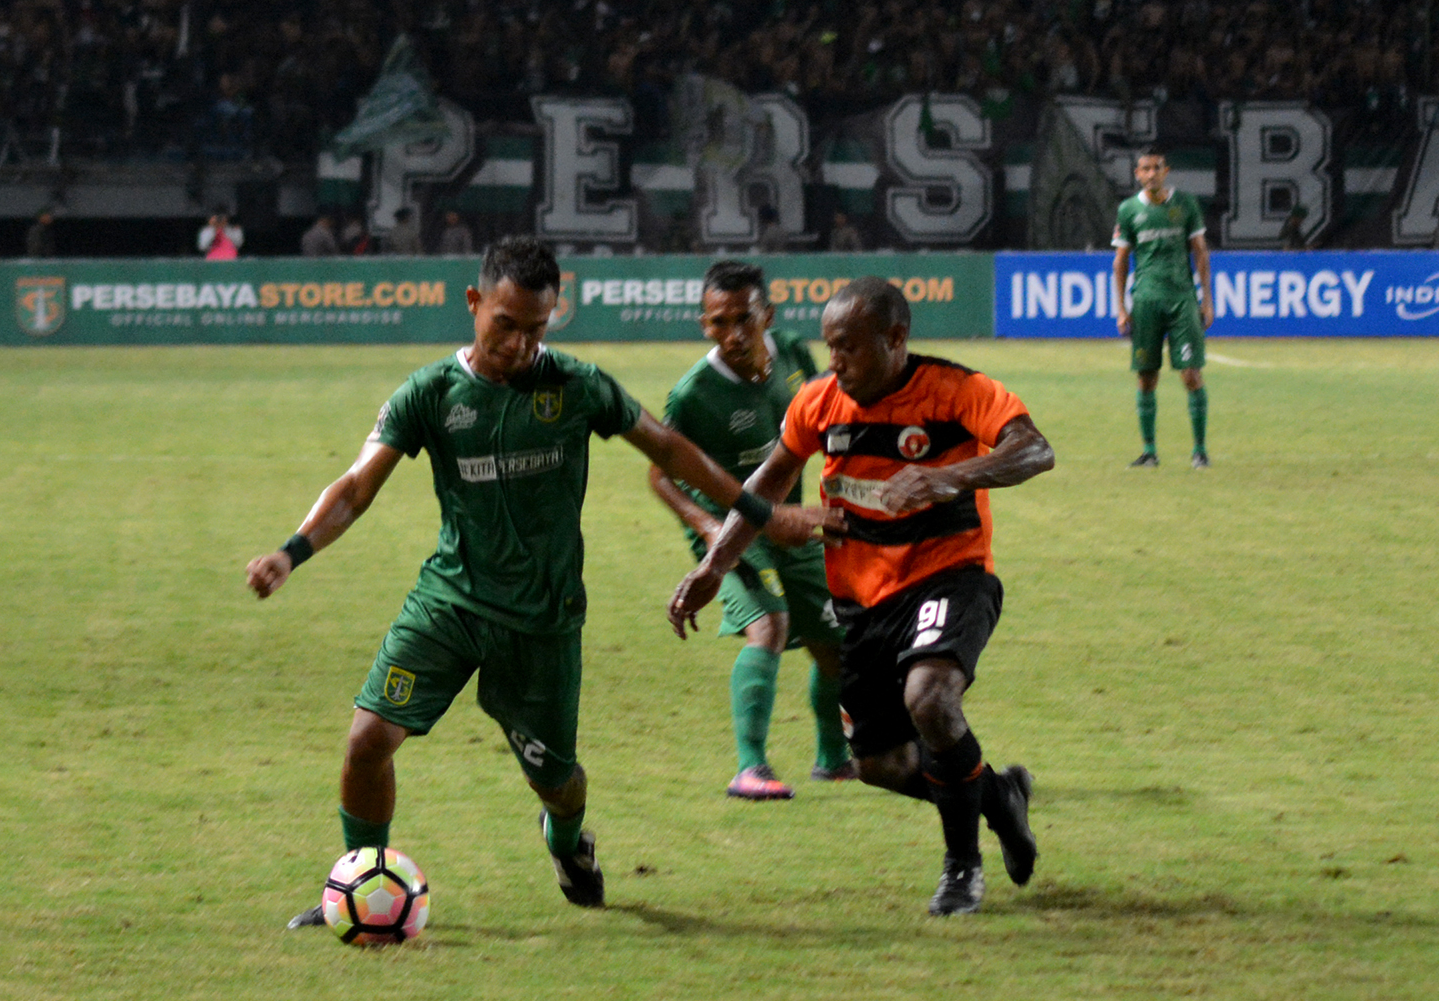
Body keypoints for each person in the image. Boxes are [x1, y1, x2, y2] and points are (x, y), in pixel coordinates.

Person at [249, 236, 836, 924]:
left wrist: (759, 513)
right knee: (366, 740)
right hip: (449, 601)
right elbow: (354, 487)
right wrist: (291, 552)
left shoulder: (577, 385)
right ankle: (355, 880)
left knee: (557, 782)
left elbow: (670, 449)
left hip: (543, 620)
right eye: (507, 325)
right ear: (474, 304)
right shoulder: (431, 392)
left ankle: (566, 840)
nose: (522, 343)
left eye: (537, 327)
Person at [667, 276, 1053, 916]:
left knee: (929, 698)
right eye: (828, 345)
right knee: (879, 764)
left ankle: (962, 869)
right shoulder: (819, 402)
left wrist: (948, 475)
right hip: (862, 600)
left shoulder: (954, 389)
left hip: (949, 575)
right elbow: (766, 483)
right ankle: (999, 798)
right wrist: (715, 563)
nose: (834, 360)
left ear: (896, 339)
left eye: (847, 347)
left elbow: (1033, 449)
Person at [648, 261, 852, 801]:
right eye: (719, 323)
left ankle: (833, 758)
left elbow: (828, 418)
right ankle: (750, 767)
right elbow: (659, 474)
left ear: (769, 314)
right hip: (731, 531)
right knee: (771, 623)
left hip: (794, 521)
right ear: (704, 325)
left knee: (837, 642)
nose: (734, 334)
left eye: (745, 318)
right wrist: (711, 529)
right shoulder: (693, 393)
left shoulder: (791, 352)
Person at [1113, 146, 1214, 470]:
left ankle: (1199, 451)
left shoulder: (1185, 204)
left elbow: (1200, 252)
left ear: (1165, 171)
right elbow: (1121, 262)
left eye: (1157, 167)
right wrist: (1120, 306)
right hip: (1145, 301)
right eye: (1145, 168)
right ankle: (1149, 452)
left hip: (1182, 300)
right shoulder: (1129, 210)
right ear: (1137, 174)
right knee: (1146, 377)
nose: (1151, 173)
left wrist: (1207, 299)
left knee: (1191, 375)